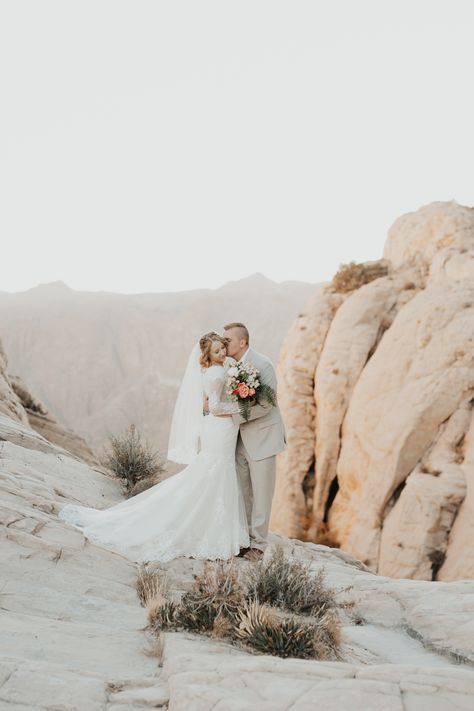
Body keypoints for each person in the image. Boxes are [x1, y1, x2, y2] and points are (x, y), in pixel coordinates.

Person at [57, 332, 250, 563]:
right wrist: (240, 408)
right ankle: (209, 531)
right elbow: (215, 407)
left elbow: (207, 403)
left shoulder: (216, 369)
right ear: (207, 355)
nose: (222, 353)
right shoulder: (216, 373)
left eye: (222, 349)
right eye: (216, 351)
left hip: (219, 429)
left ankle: (216, 528)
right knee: (214, 471)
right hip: (219, 428)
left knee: (216, 472)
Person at [204, 323, 287, 558]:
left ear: (242, 342)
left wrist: (231, 414)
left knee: (262, 494)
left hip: (263, 437)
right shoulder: (230, 365)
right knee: (242, 492)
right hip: (238, 440)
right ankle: (243, 539)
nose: (223, 343)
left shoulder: (263, 364)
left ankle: (258, 545)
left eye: (228, 340)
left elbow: (267, 404)